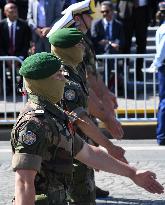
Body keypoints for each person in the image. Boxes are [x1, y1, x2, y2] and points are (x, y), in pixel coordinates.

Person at [11, 52, 164, 205]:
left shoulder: (53, 115)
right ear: (42, 83)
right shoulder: (33, 124)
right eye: (58, 76)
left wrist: (133, 173)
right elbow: (24, 182)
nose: (64, 80)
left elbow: (88, 153)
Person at [47, 0, 124, 200]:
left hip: (80, 112)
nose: (93, 18)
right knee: (80, 160)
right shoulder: (71, 48)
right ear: (78, 18)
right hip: (71, 120)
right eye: (89, 15)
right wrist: (107, 119)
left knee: (85, 158)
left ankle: (86, 188)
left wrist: (106, 98)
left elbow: (90, 80)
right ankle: (81, 191)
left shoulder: (78, 44)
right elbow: (87, 85)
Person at [91, 1, 124, 87]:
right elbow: (95, 39)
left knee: (111, 53)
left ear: (112, 11)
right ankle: (108, 84)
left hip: (114, 52)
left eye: (107, 11)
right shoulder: (96, 24)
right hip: (100, 53)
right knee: (109, 52)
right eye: (102, 12)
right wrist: (110, 43)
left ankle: (106, 84)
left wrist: (117, 44)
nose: (104, 14)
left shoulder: (118, 25)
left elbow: (122, 40)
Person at [0, 2, 31, 94]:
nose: (14, 10)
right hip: (5, 56)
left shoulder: (24, 25)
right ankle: (8, 87)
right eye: (11, 8)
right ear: (6, 12)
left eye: (15, 8)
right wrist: (6, 57)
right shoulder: (1, 25)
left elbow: (26, 44)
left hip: (20, 56)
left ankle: (20, 89)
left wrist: (19, 58)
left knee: (26, 66)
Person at [116, 0, 149, 81]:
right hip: (126, 11)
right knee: (125, 44)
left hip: (143, 11)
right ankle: (125, 71)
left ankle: (139, 71)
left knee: (141, 44)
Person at [149, 1, 165, 146]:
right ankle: (162, 135)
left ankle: (161, 135)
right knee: (164, 102)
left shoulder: (161, 27)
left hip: (163, 67)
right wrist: (156, 64)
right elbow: (161, 51)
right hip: (164, 66)